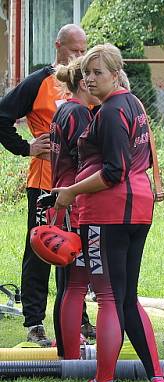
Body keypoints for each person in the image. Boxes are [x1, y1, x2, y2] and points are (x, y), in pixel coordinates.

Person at [53, 44, 164, 382]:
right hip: (139, 209)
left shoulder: (109, 112)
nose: (90, 79)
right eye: (87, 73)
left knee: (108, 297)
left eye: (97, 73)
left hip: (108, 212)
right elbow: (143, 154)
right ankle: (158, 377)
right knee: (127, 298)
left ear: (115, 74)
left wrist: (70, 192)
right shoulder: (134, 104)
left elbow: (113, 171)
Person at [0, 24, 91, 346]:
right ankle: (34, 324)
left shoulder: (87, 82)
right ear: (58, 46)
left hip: (80, 184)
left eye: (83, 50)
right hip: (44, 183)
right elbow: (2, 115)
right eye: (74, 50)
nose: (79, 56)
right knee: (40, 249)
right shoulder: (39, 82)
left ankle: (79, 320)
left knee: (75, 249)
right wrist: (25, 147)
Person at [50, 57, 101, 359]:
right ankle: (68, 347)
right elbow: (84, 163)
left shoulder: (63, 111)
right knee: (72, 284)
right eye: (92, 77)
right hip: (73, 205)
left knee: (66, 282)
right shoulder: (80, 114)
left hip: (60, 200)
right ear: (83, 83)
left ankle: (66, 342)